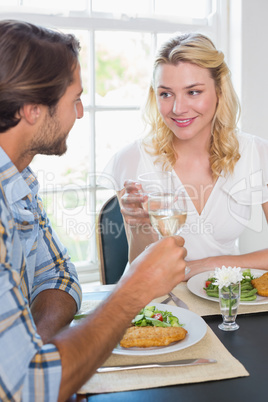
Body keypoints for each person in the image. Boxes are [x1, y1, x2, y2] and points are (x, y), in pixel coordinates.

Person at [0, 20, 187, 401]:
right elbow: (28, 389)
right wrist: (134, 288)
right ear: (34, 110)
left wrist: (34, 351)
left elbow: (59, 273)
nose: (81, 112)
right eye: (75, 99)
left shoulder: (18, 182)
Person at [99, 32, 268, 278]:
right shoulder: (132, 159)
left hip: (223, 296)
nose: (178, 109)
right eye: (165, 94)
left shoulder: (256, 153)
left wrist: (207, 264)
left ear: (219, 90)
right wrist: (139, 226)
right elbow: (140, 266)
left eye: (193, 92)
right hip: (156, 300)